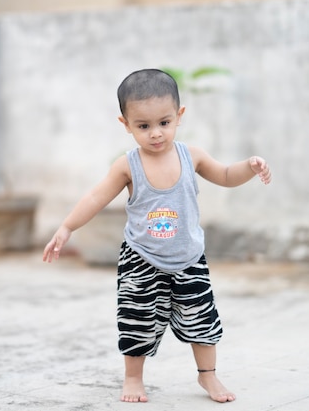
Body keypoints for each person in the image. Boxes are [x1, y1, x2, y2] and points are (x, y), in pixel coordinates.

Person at [42, 68, 272, 403]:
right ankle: (133, 378)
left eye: (164, 123)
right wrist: (66, 227)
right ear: (125, 124)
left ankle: (208, 377)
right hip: (141, 260)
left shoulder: (191, 156)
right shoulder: (127, 165)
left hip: (189, 258)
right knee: (136, 320)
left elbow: (224, 174)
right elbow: (95, 197)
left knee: (202, 319)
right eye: (143, 126)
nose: (155, 134)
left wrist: (249, 167)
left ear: (179, 116)